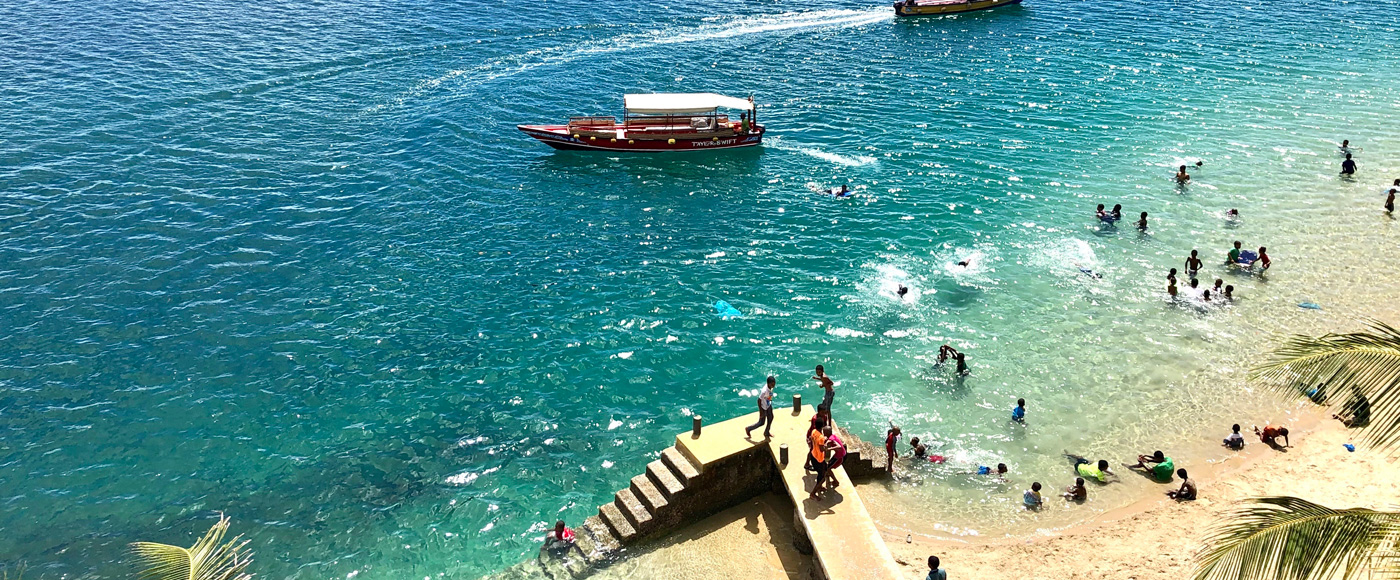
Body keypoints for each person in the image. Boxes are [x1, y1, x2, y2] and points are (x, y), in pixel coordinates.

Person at [808, 423, 829, 499]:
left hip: (813, 455)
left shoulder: (813, 431)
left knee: (825, 470)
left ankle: (819, 487)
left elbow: (812, 439)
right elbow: (821, 449)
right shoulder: (821, 437)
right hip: (819, 459)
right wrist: (826, 445)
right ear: (822, 427)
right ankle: (813, 494)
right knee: (822, 477)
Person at [822, 426, 846, 491]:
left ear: (826, 432)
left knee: (828, 468)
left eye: (824, 432)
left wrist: (829, 448)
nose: (823, 433)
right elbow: (828, 441)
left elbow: (839, 446)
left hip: (839, 456)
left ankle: (836, 481)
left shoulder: (831, 439)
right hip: (838, 454)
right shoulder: (832, 436)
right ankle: (828, 474)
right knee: (828, 465)